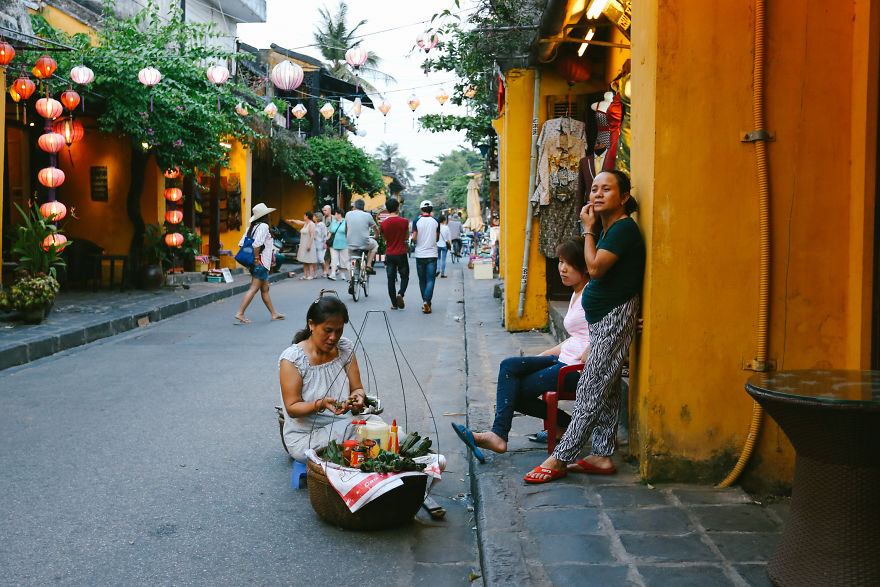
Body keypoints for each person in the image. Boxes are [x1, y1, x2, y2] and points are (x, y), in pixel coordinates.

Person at [524, 170, 644, 483]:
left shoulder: (621, 229)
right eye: (594, 189)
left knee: (591, 386)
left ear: (625, 197)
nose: (598, 194)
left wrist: (587, 229)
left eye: (607, 189)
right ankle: (602, 455)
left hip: (615, 315)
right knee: (609, 386)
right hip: (604, 316)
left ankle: (561, 457)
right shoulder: (610, 230)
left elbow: (594, 268)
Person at [451, 237, 590, 460]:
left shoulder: (591, 296)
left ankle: (498, 436)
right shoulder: (576, 293)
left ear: (585, 267)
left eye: (569, 264)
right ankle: (561, 425)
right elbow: (578, 336)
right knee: (510, 366)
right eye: (560, 262)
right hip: (563, 359)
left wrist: (587, 361)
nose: (562, 268)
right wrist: (547, 354)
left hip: (575, 369)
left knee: (513, 392)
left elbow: (600, 334)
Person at [278, 295, 376, 462]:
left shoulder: (345, 348)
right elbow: (292, 408)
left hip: (345, 424)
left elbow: (357, 388)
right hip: (307, 438)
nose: (334, 337)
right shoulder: (293, 359)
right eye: (328, 330)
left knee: (382, 428)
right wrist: (320, 404)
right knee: (369, 434)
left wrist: (358, 398)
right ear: (311, 324)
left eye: (338, 331)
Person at [234, 203, 285, 324]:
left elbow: (241, 244)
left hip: (256, 263)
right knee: (253, 288)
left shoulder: (252, 227)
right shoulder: (264, 227)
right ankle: (240, 313)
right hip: (260, 263)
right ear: (265, 216)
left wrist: (252, 258)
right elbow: (257, 244)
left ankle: (274, 313)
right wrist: (256, 259)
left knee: (265, 289)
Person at [379, 198, 410, 310]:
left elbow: (384, 239)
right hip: (401, 253)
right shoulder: (404, 221)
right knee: (404, 276)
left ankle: (394, 304)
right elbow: (407, 237)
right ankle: (400, 294)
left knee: (391, 279)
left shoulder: (383, 223)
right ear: (398, 208)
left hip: (390, 253)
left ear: (387, 209)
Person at [411, 200, 440, 314]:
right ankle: (427, 302)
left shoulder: (416, 221)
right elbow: (437, 238)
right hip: (432, 254)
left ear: (421, 210)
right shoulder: (436, 221)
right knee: (431, 279)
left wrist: (415, 241)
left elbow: (414, 238)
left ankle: (425, 301)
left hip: (420, 254)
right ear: (431, 209)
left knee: (422, 280)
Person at [345, 199, 378, 287]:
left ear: (354, 206)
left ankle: (351, 280)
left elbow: (346, 229)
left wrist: (347, 238)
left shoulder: (348, 214)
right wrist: (376, 236)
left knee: (350, 261)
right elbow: (376, 229)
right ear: (363, 207)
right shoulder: (368, 215)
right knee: (375, 245)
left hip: (350, 243)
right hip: (364, 243)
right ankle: (368, 265)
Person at [289, 211, 318, 279]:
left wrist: (309, 245)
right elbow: (299, 222)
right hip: (303, 244)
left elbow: (312, 236)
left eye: (304, 215)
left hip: (308, 244)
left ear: (307, 216)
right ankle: (305, 275)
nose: (304, 217)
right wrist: (292, 220)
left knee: (309, 260)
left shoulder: (311, 224)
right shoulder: (306, 223)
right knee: (304, 260)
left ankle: (310, 275)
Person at [327, 209, 349, 282]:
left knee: (344, 260)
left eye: (336, 214)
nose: (335, 215)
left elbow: (348, 232)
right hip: (333, 244)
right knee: (334, 259)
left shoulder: (345, 222)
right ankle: (333, 274)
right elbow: (330, 232)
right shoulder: (333, 222)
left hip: (344, 243)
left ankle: (342, 273)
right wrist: (327, 241)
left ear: (339, 214)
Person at [313, 212, 329, 278]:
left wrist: (325, 242)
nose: (313, 217)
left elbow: (325, 234)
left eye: (314, 216)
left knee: (321, 259)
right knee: (314, 260)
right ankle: (315, 273)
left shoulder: (321, 224)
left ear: (317, 217)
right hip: (314, 243)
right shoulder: (314, 224)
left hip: (321, 243)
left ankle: (325, 271)